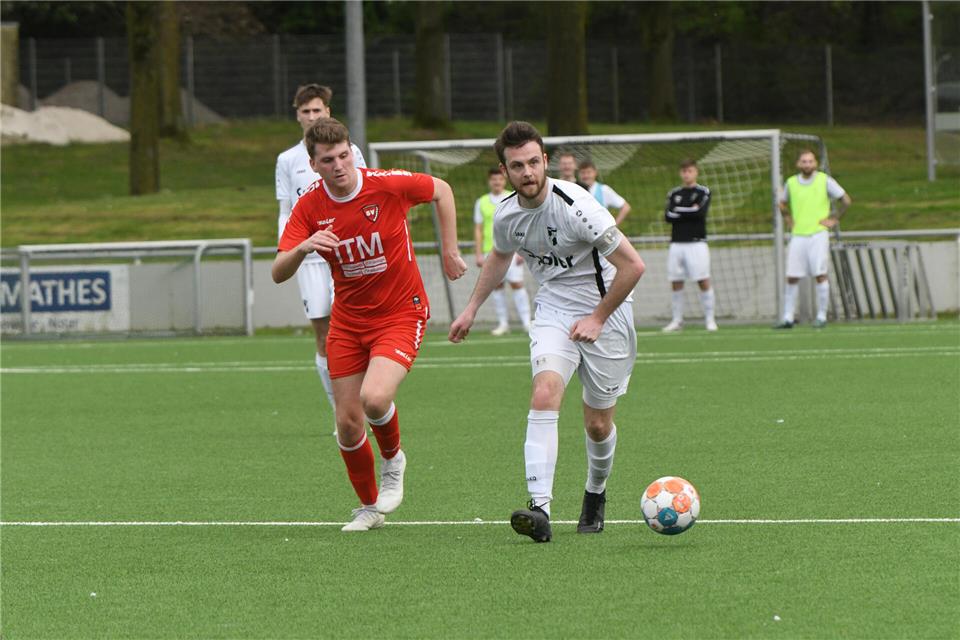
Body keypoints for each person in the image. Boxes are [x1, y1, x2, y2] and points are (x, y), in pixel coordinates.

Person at [449, 121, 646, 543]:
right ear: (505, 169)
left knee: (596, 424)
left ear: (545, 161)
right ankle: (539, 509)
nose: (528, 173)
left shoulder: (578, 206)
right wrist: (471, 308)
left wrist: (597, 317)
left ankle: (595, 492)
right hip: (554, 308)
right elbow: (501, 256)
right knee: (544, 391)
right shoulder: (506, 213)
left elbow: (633, 267)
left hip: (606, 310)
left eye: (534, 163)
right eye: (517, 166)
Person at [274, 118, 467, 531]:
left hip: (400, 312)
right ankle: (369, 508)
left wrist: (450, 250)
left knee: (375, 399)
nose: (339, 165)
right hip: (347, 321)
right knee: (346, 422)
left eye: (344, 155)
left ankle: (393, 461)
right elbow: (277, 270)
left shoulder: (386, 184)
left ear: (351, 151)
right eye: (329, 160)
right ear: (313, 164)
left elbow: (442, 191)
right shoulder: (309, 207)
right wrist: (304, 245)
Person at [275, 84, 366, 435]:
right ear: (297, 115)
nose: (312, 117)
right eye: (305, 112)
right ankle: (341, 411)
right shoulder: (287, 160)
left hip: (346, 251)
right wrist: (289, 247)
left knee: (355, 326)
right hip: (310, 257)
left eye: (317, 110)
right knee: (323, 331)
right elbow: (286, 209)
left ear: (328, 111)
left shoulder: (350, 151)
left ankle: (366, 401)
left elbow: (364, 193)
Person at [775, 149, 851, 329]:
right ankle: (787, 317)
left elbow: (846, 200)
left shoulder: (824, 180)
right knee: (792, 276)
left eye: (810, 161)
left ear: (815, 163)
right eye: (804, 161)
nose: (807, 164)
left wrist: (834, 219)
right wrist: (788, 219)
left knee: (820, 273)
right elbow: (782, 202)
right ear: (798, 164)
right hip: (798, 235)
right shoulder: (791, 182)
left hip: (818, 234)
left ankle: (822, 316)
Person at [473, 167, 531, 336]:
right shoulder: (481, 202)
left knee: (517, 284)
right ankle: (503, 323)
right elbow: (478, 228)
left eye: (499, 179)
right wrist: (478, 253)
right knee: (496, 287)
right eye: (493, 180)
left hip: (511, 251)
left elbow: (521, 223)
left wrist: (522, 250)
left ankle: (527, 322)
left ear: (504, 180)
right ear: (489, 182)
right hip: (490, 251)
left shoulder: (512, 197)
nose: (496, 182)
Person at [661, 159, 717, 332]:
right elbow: (668, 216)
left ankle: (710, 319)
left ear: (696, 172)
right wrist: (688, 210)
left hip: (696, 243)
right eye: (684, 171)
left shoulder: (703, 192)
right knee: (676, 280)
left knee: (702, 279)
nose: (687, 174)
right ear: (680, 173)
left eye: (690, 171)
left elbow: (700, 213)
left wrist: (680, 211)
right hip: (677, 243)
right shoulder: (674, 193)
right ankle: (677, 320)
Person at [577, 160, 632, 225]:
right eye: (583, 173)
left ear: (595, 173)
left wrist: (613, 226)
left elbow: (625, 207)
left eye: (589, 172)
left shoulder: (604, 190)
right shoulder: (575, 190)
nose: (586, 176)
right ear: (579, 174)